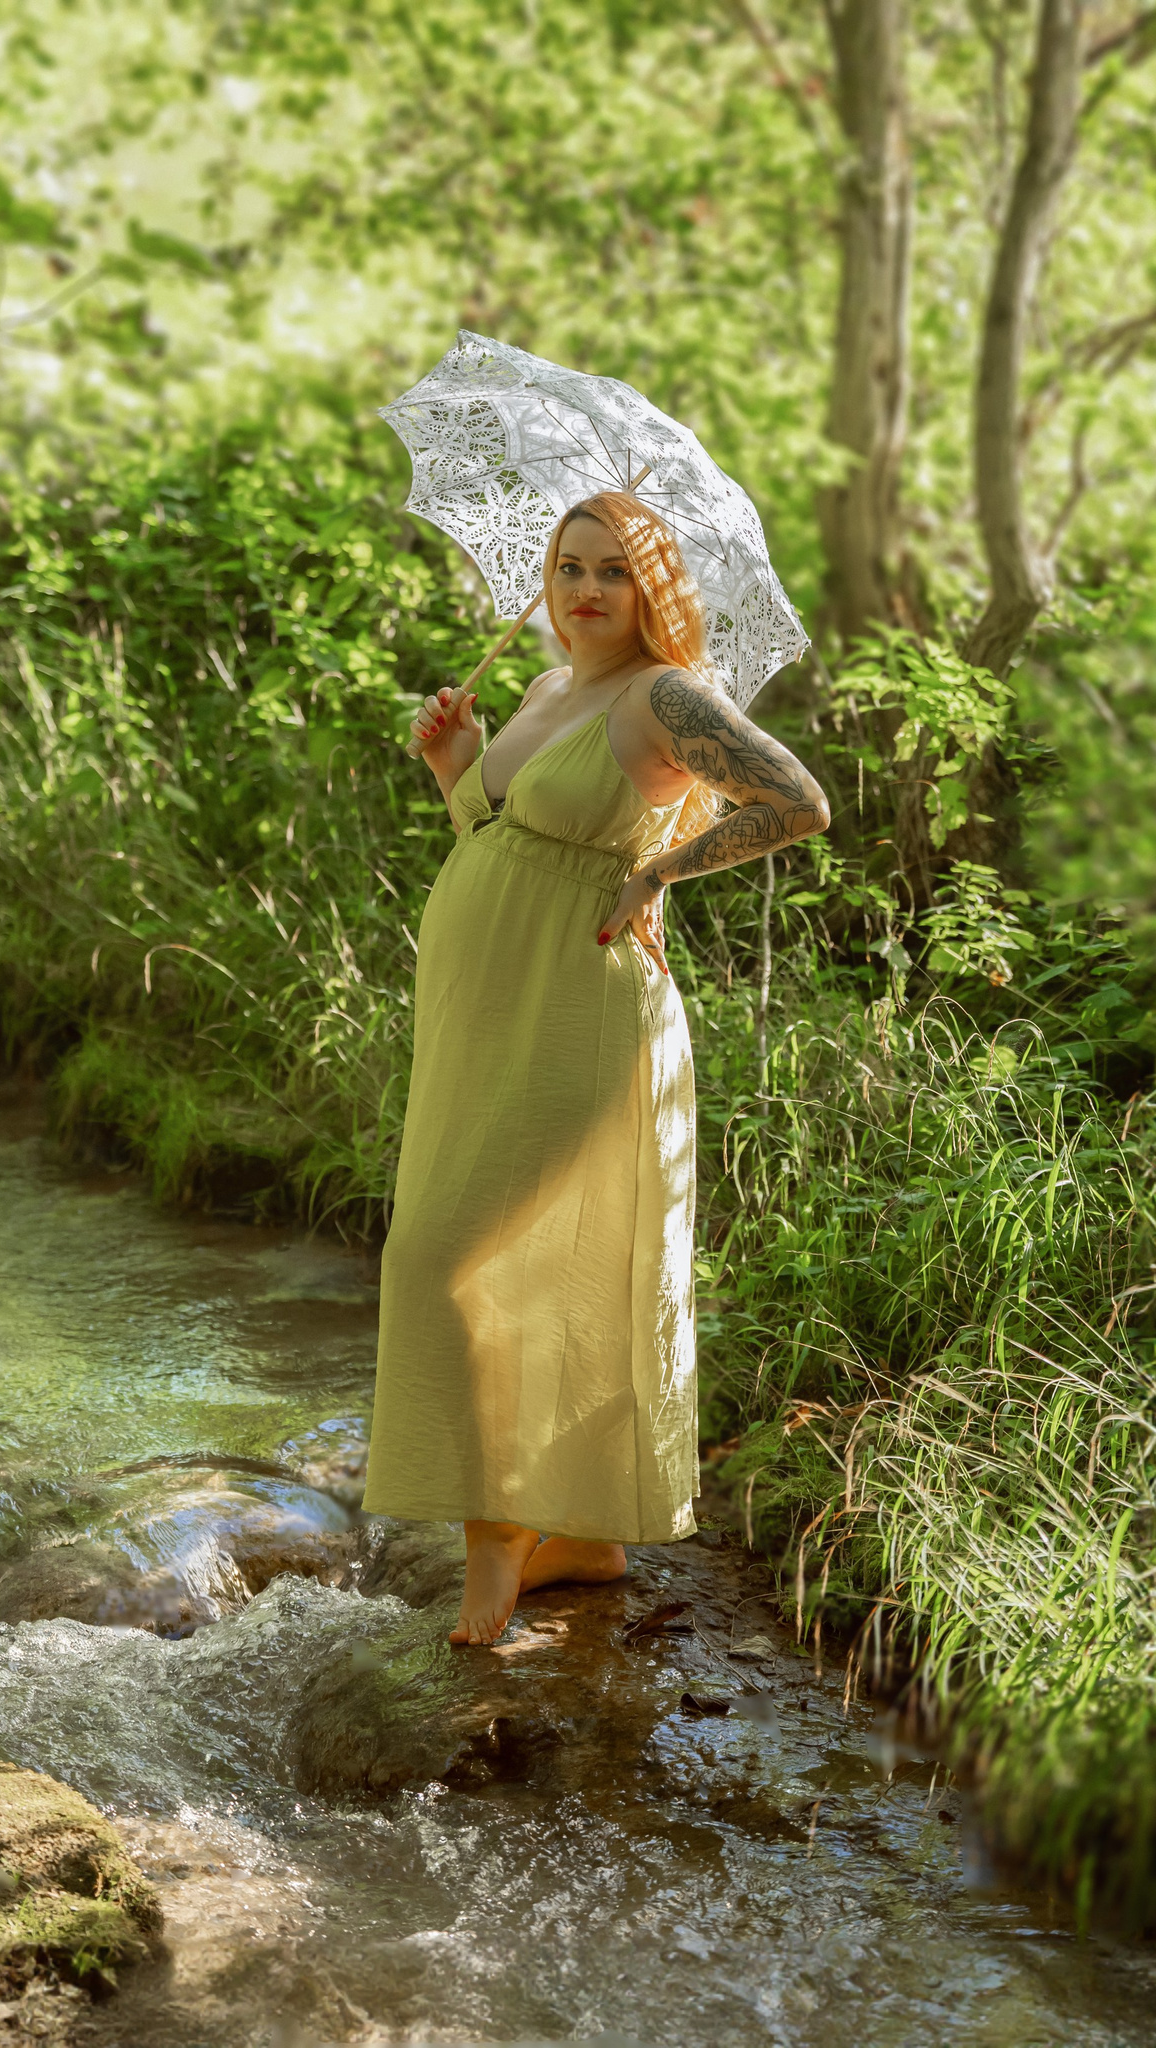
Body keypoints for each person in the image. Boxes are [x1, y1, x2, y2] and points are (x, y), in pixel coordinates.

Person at [361, 490, 832, 1646]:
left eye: (613, 572)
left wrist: (664, 869)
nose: (584, 591)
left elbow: (800, 801)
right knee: (511, 1266)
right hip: (488, 1013)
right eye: (568, 566)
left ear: (652, 589)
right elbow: (499, 838)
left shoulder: (664, 696)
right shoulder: (541, 689)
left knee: (450, 1261)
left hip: (582, 1009)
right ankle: (576, 1533)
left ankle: (497, 1553)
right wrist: (454, 766)